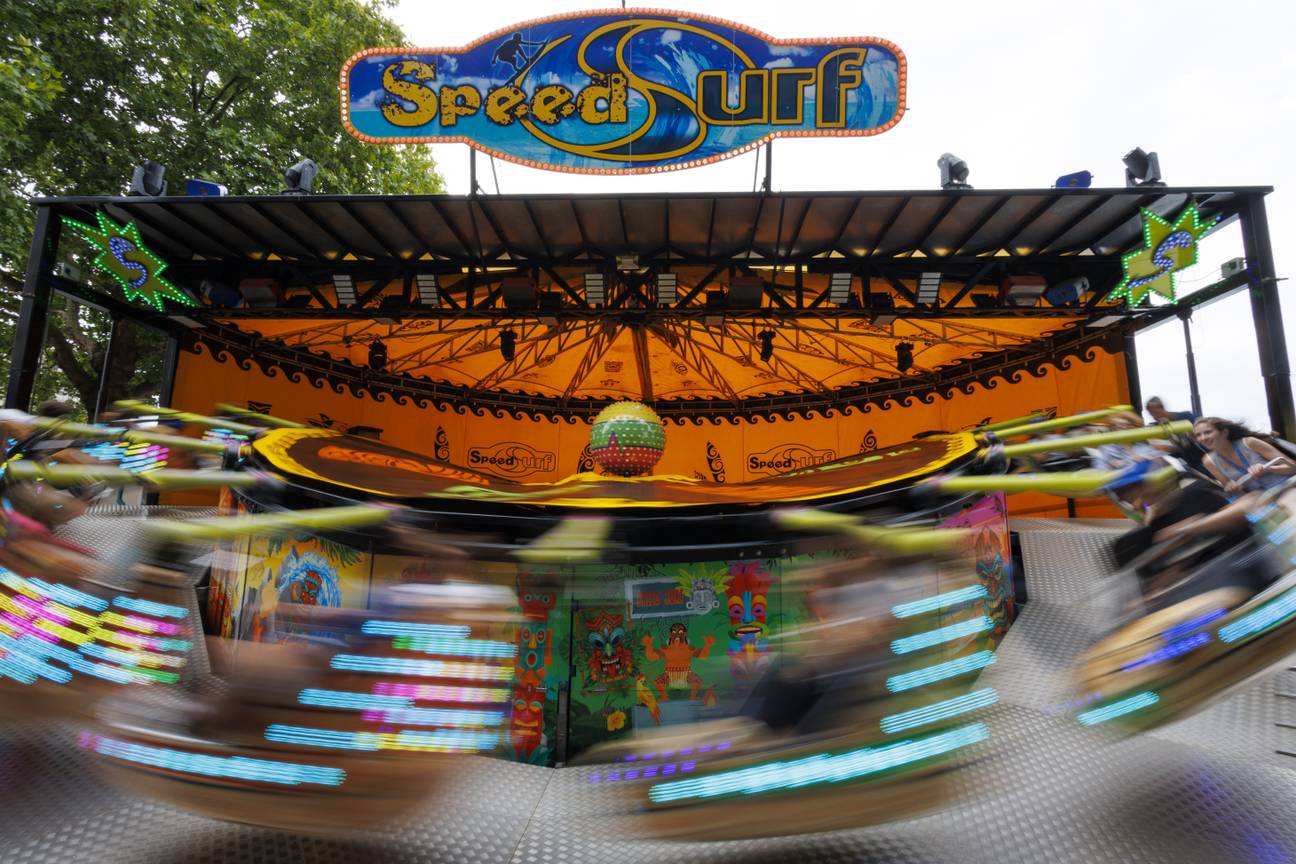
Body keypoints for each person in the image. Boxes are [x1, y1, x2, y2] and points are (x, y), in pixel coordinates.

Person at [1194, 417, 1295, 495]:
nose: (1203, 438)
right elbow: (1239, 494)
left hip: (1287, 485)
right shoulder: (1208, 461)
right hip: (1262, 497)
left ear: (1224, 432)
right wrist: (1233, 489)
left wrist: (1268, 469)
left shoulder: (1249, 442)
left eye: (1208, 432)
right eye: (1198, 435)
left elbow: (1293, 467)